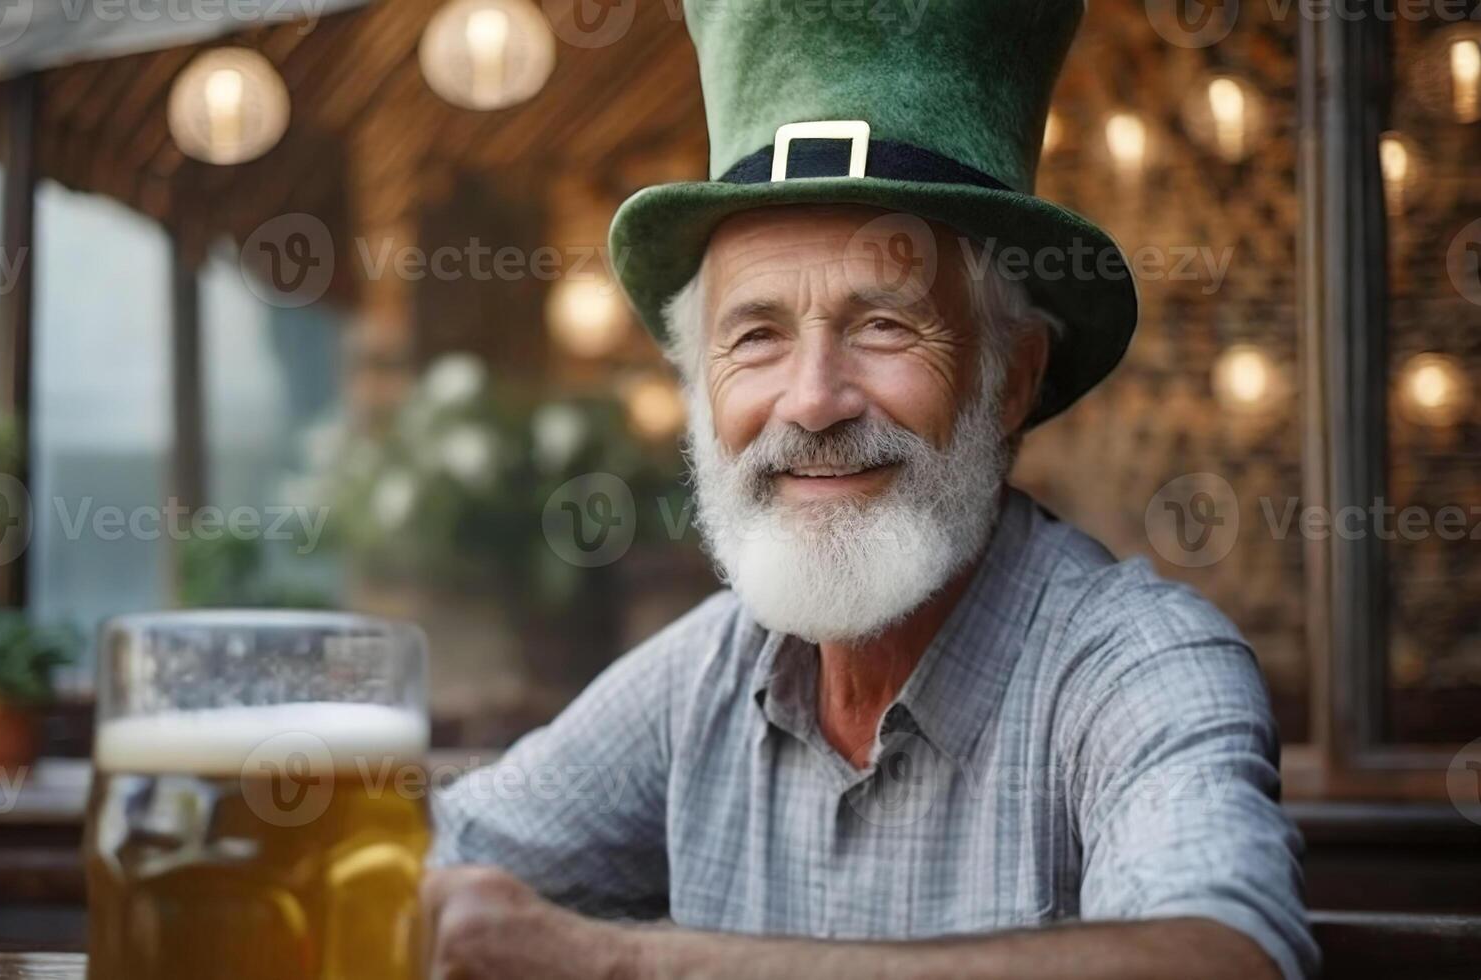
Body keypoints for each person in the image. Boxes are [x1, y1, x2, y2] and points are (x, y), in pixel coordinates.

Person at [422, 3, 1314, 979]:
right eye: (754, 335)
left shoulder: (1133, 664)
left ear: (1007, 378)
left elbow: (1221, 959)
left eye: (884, 326)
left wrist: (613, 962)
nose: (810, 402)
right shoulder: (707, 676)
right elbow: (430, 860)